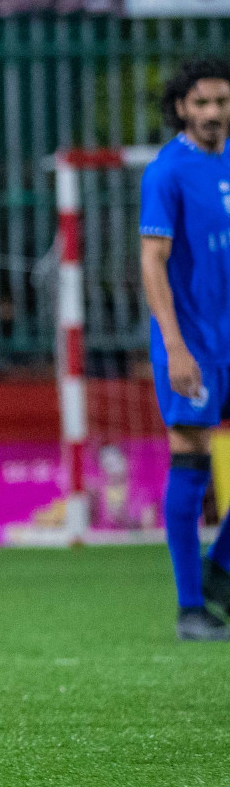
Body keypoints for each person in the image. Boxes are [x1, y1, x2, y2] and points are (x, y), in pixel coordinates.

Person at [139, 58, 230, 641]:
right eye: (203, 103)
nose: (215, 113)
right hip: (193, 341)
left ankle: (220, 567)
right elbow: (152, 260)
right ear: (181, 108)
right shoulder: (165, 173)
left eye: (222, 102)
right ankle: (190, 606)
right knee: (191, 454)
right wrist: (175, 346)